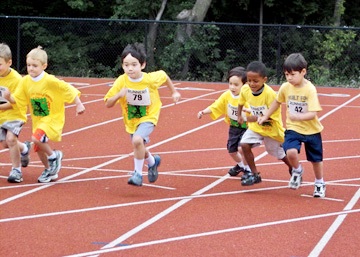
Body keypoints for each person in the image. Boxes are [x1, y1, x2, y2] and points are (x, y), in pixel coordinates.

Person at [104, 43, 181, 186]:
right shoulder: (121, 81)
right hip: (132, 119)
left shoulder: (150, 79)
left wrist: (174, 91)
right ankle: (153, 161)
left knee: (137, 141)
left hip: (149, 115)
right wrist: (118, 95)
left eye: (134, 64)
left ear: (143, 65)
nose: (130, 68)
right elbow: (108, 103)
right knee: (139, 146)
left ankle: (137, 175)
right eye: (126, 65)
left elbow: (163, 76)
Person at [6, 46, 86, 183]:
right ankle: (50, 170)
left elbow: (67, 88)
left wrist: (78, 103)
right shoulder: (25, 82)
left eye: (35, 66)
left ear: (44, 66)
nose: (31, 69)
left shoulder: (50, 81)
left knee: (36, 138)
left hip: (52, 117)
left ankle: (54, 155)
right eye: (29, 65)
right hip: (38, 119)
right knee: (38, 148)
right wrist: (8, 97)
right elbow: (18, 100)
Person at [258, 53, 325, 197]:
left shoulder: (310, 89)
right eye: (286, 74)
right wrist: (265, 116)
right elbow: (277, 101)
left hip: (312, 130)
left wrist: (299, 116)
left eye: (292, 74)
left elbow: (313, 113)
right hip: (293, 128)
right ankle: (297, 170)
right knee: (291, 152)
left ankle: (319, 182)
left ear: (303, 72)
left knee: (316, 159)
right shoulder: (285, 87)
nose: (289, 78)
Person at [237, 61, 292, 186]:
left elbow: (267, 118)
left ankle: (292, 167)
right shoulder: (245, 89)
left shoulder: (270, 94)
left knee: (276, 153)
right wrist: (239, 115)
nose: (252, 84)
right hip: (256, 127)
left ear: (264, 80)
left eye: (255, 81)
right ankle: (255, 174)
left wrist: (247, 118)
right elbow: (240, 102)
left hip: (270, 127)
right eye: (249, 80)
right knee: (244, 145)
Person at [197, 66, 250, 178]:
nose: (232, 87)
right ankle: (240, 165)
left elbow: (256, 109)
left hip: (247, 127)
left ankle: (248, 170)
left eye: (236, 85)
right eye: (230, 84)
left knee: (242, 148)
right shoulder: (227, 95)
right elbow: (216, 105)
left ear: (244, 85)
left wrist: (248, 111)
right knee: (232, 151)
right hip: (234, 127)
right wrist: (203, 112)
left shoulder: (247, 96)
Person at [0, 43, 31, 183]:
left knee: (11, 139)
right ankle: (24, 148)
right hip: (1, 114)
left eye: (0, 64)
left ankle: (16, 170)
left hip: (15, 113)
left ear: (9, 62)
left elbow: (16, 104)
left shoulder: (17, 80)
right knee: (6, 143)